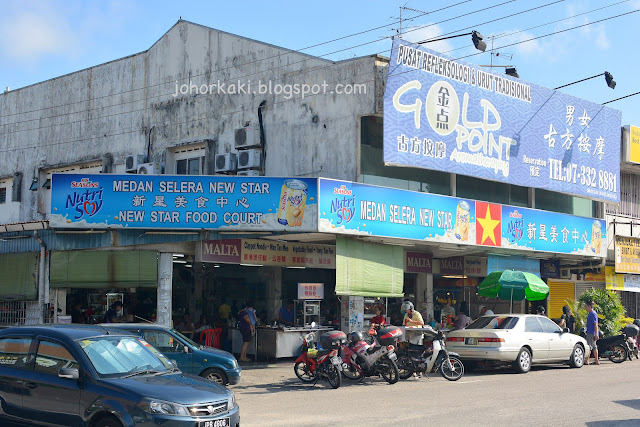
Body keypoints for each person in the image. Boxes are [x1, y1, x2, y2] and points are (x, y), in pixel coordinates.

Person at [584, 300, 600, 365]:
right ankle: (596, 360)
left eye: (586, 306)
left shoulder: (593, 314)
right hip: (590, 331)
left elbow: (595, 324)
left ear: (590, 306)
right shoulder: (591, 313)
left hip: (591, 332)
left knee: (589, 346)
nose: (586, 308)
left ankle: (587, 360)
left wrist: (596, 334)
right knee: (593, 346)